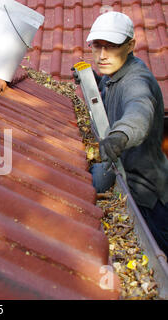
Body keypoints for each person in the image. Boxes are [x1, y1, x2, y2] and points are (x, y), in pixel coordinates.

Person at [72, 11, 168, 256]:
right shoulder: (112, 73)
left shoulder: (137, 80)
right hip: (127, 182)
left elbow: (139, 110)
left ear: (130, 46)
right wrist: (91, 81)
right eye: (97, 46)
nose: (102, 56)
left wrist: (120, 136)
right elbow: (108, 97)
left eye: (112, 47)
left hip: (148, 197)